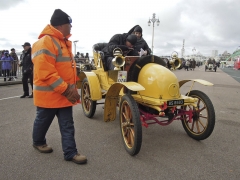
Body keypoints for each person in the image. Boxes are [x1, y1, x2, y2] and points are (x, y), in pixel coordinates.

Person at [31, 9, 87, 165]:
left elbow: (67, 69)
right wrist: (66, 90)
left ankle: (70, 153)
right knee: (42, 122)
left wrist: (71, 89)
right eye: (69, 24)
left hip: (63, 95)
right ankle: (38, 142)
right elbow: (46, 73)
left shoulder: (62, 42)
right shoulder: (45, 42)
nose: (71, 27)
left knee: (67, 125)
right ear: (61, 25)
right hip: (50, 96)